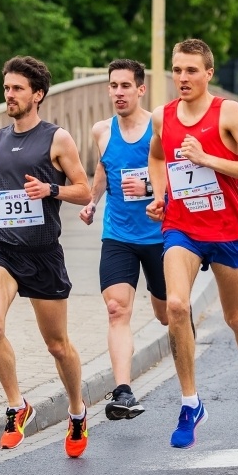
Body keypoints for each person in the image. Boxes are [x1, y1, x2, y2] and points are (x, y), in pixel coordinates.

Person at [146, 38, 238, 449]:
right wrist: (160, 194)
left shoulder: (228, 112)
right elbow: (156, 157)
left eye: (190, 71)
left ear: (208, 74)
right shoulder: (162, 117)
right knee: (178, 306)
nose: (182, 78)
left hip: (224, 229)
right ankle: (190, 403)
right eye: (177, 70)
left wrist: (208, 160)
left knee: (235, 316)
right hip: (180, 228)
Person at [0, 56, 92, 458]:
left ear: (37, 94)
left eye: (17, 89)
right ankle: (17, 406)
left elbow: (84, 190)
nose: (10, 95)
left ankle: (76, 411)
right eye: (6, 88)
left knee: (57, 345)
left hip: (43, 253)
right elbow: (3, 182)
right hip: (3, 248)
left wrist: (51, 191)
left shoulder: (57, 139)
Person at [79, 59, 168, 421]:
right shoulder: (102, 130)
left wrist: (149, 187)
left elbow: (178, 173)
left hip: (161, 236)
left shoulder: (158, 128)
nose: (118, 92)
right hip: (118, 234)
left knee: (166, 314)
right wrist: (91, 201)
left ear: (140, 89)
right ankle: (123, 391)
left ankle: (181, 329)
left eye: (125, 86)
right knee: (117, 309)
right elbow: (104, 168)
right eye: (113, 86)